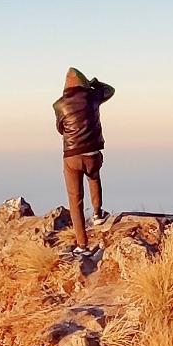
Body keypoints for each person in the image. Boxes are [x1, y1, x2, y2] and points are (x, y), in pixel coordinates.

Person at [53, 67, 115, 251]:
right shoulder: (93, 97)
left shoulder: (59, 105)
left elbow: (60, 128)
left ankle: (82, 244)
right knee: (94, 177)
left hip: (72, 155)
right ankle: (97, 214)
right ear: (84, 83)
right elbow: (110, 90)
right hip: (93, 152)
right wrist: (94, 83)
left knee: (75, 199)